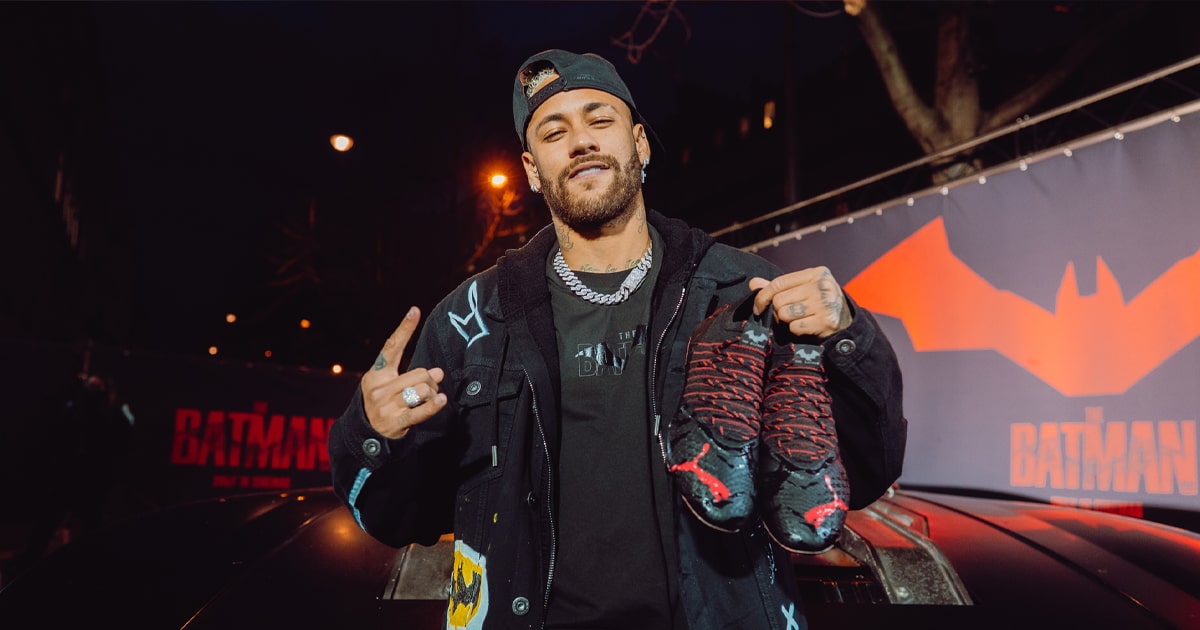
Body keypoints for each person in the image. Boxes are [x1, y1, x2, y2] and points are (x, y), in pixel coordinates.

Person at [328, 49, 906, 629]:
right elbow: (396, 519)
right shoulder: (472, 320)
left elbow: (866, 471)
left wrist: (849, 335)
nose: (581, 141)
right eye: (554, 132)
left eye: (599, 120)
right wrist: (373, 435)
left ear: (640, 144)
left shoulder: (740, 292)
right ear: (532, 170)